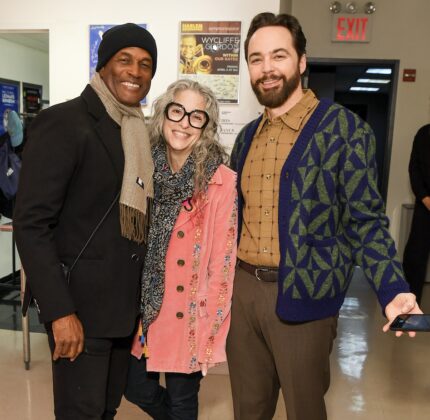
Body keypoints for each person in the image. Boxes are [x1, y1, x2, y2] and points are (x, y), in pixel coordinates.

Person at [226, 12, 422, 420]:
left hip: (304, 297)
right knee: (247, 410)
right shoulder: (245, 138)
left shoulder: (345, 131)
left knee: (304, 411)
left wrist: (392, 288)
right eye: (256, 58)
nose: (267, 68)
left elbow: (365, 220)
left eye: (278, 55)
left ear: (301, 61)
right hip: (243, 296)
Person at [13, 23, 157, 419]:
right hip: (78, 311)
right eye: (124, 60)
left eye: (146, 65)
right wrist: (60, 313)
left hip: (120, 313)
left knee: (104, 411)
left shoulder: (135, 131)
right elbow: (31, 224)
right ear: (103, 65)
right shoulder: (65, 122)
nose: (135, 72)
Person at [124, 79, 238, 419]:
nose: (184, 123)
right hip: (146, 307)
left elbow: (223, 264)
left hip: (189, 315)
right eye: (178, 111)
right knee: (135, 387)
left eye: (196, 116)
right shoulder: (141, 167)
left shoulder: (220, 180)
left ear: (206, 126)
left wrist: (211, 335)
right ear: (163, 114)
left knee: (182, 400)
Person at [403, 124, 430, 304]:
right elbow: (414, 169)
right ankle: (410, 306)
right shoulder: (424, 133)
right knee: (416, 257)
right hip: (425, 205)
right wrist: (426, 198)